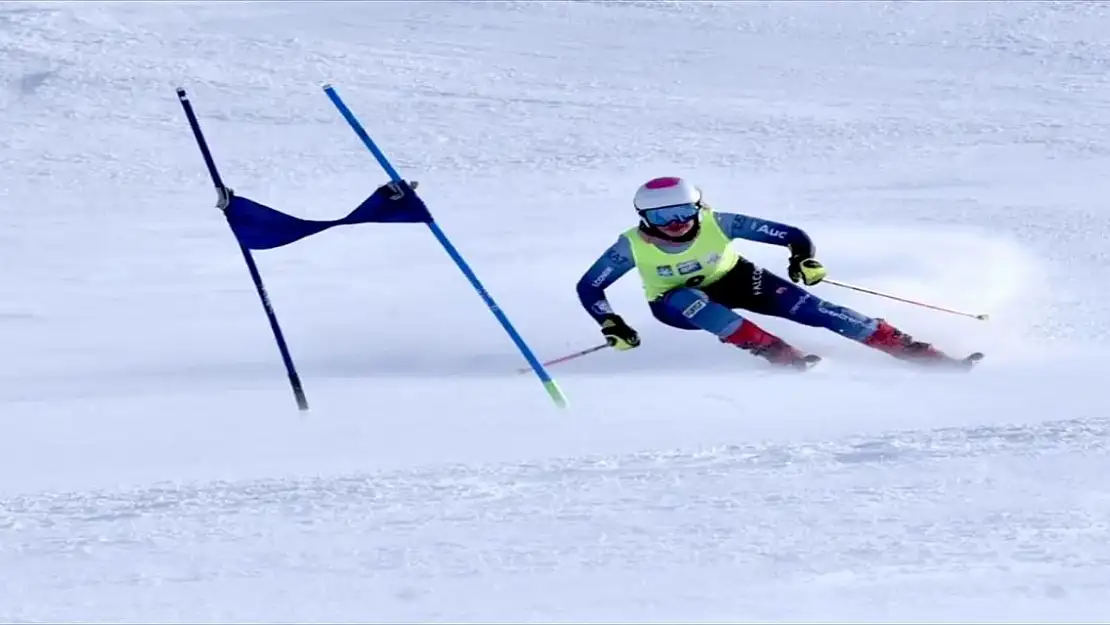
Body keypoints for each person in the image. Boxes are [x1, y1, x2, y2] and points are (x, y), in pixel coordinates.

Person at [574, 176, 981, 370]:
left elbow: (790, 234)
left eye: (684, 212)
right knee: (690, 300)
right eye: (663, 216)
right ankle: (780, 355)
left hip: (737, 280)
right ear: (643, 216)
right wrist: (611, 322)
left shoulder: (720, 223)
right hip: (674, 303)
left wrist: (802, 258)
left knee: (817, 310)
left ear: (700, 207)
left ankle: (916, 352)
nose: (676, 223)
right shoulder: (629, 246)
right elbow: (590, 287)